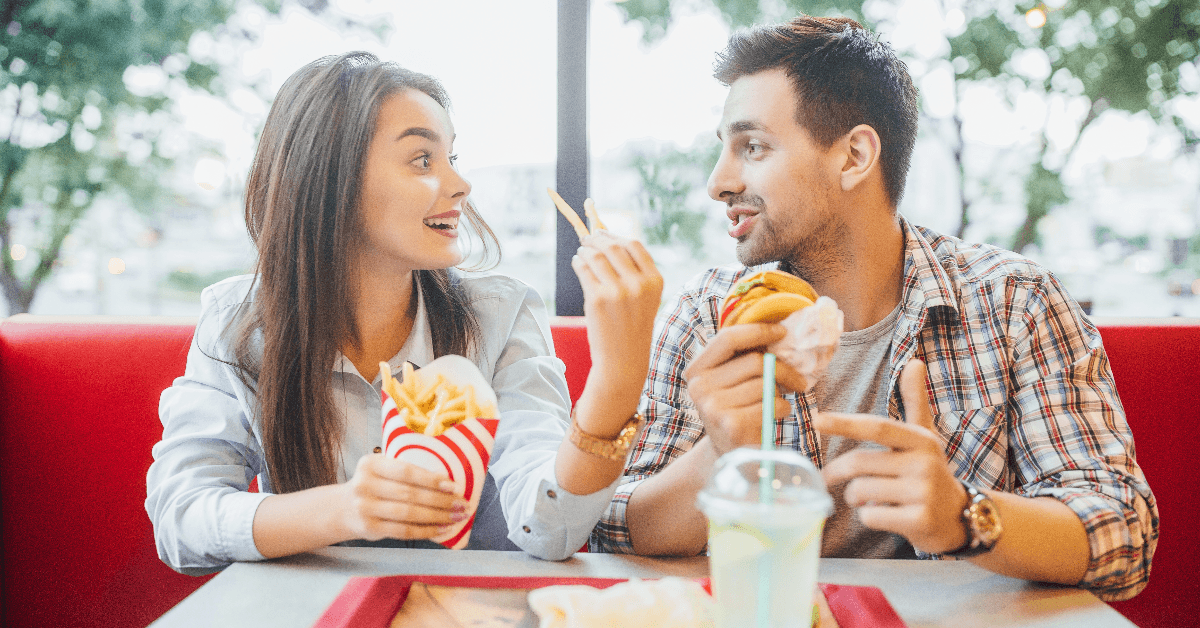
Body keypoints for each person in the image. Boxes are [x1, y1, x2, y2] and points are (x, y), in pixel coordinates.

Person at [590, 16, 1157, 601]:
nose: (718, 182)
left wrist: (963, 516)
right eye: (724, 151)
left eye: (751, 147)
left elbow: (1123, 533)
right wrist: (720, 453)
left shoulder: (1015, 302)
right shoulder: (710, 314)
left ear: (855, 155)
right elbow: (613, 529)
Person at [146, 52, 662, 574]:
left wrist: (616, 381)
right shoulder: (238, 321)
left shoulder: (501, 315)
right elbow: (180, 520)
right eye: (422, 160)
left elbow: (552, 529)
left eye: (453, 158)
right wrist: (345, 509)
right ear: (330, 180)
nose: (461, 185)